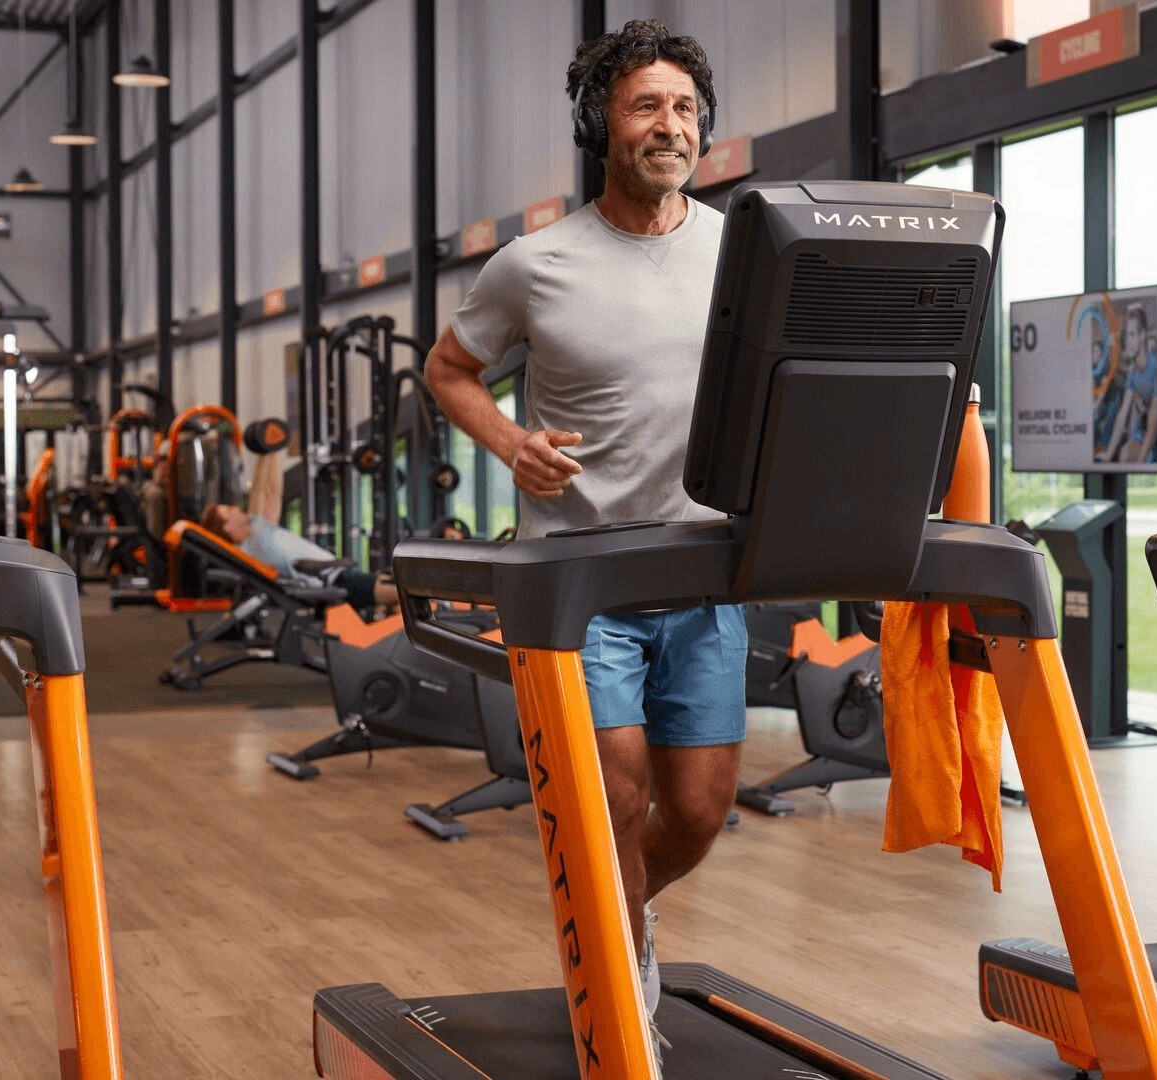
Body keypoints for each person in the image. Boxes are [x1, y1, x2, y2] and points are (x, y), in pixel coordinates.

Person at [421, 18, 740, 1045]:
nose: (670, 126)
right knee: (615, 782)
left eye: (685, 108)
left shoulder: (743, 252)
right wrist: (511, 444)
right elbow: (447, 371)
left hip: (704, 572)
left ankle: (619, 904)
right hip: (579, 577)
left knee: (695, 809)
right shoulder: (535, 264)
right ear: (597, 122)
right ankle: (613, 962)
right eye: (646, 105)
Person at [199, 443, 398, 612]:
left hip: (334, 575)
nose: (235, 508)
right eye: (228, 511)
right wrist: (266, 448)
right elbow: (263, 493)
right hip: (329, 583)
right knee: (403, 593)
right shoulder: (249, 548)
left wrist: (270, 449)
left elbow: (271, 491)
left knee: (400, 592)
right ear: (227, 528)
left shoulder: (256, 530)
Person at [1104, 303, 1157, 464]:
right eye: (1126, 336)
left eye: (1132, 335)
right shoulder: (1133, 373)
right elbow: (1122, 415)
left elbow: (1153, 424)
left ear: (1142, 335)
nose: (1128, 341)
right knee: (1124, 454)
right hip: (1142, 430)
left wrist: (1140, 464)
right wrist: (1108, 455)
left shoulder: (1156, 367)